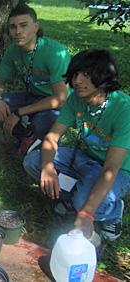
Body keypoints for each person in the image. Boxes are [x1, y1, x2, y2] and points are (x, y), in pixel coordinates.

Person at [23, 49, 130, 241]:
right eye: (75, 75)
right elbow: (51, 139)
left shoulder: (123, 108)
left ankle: (112, 212)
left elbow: (111, 168)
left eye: (86, 74)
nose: (77, 81)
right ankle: (78, 198)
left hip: (119, 171)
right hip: (87, 160)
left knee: (85, 204)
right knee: (33, 161)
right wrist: (48, 167)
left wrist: (86, 214)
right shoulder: (77, 100)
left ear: (104, 76)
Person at [0, 4, 70, 157]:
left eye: (23, 25)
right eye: (13, 27)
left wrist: (19, 112)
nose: (18, 31)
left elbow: (61, 98)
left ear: (35, 27)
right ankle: (27, 137)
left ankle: (54, 150)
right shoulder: (12, 50)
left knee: (40, 123)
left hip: (60, 105)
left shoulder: (54, 53)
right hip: (33, 97)